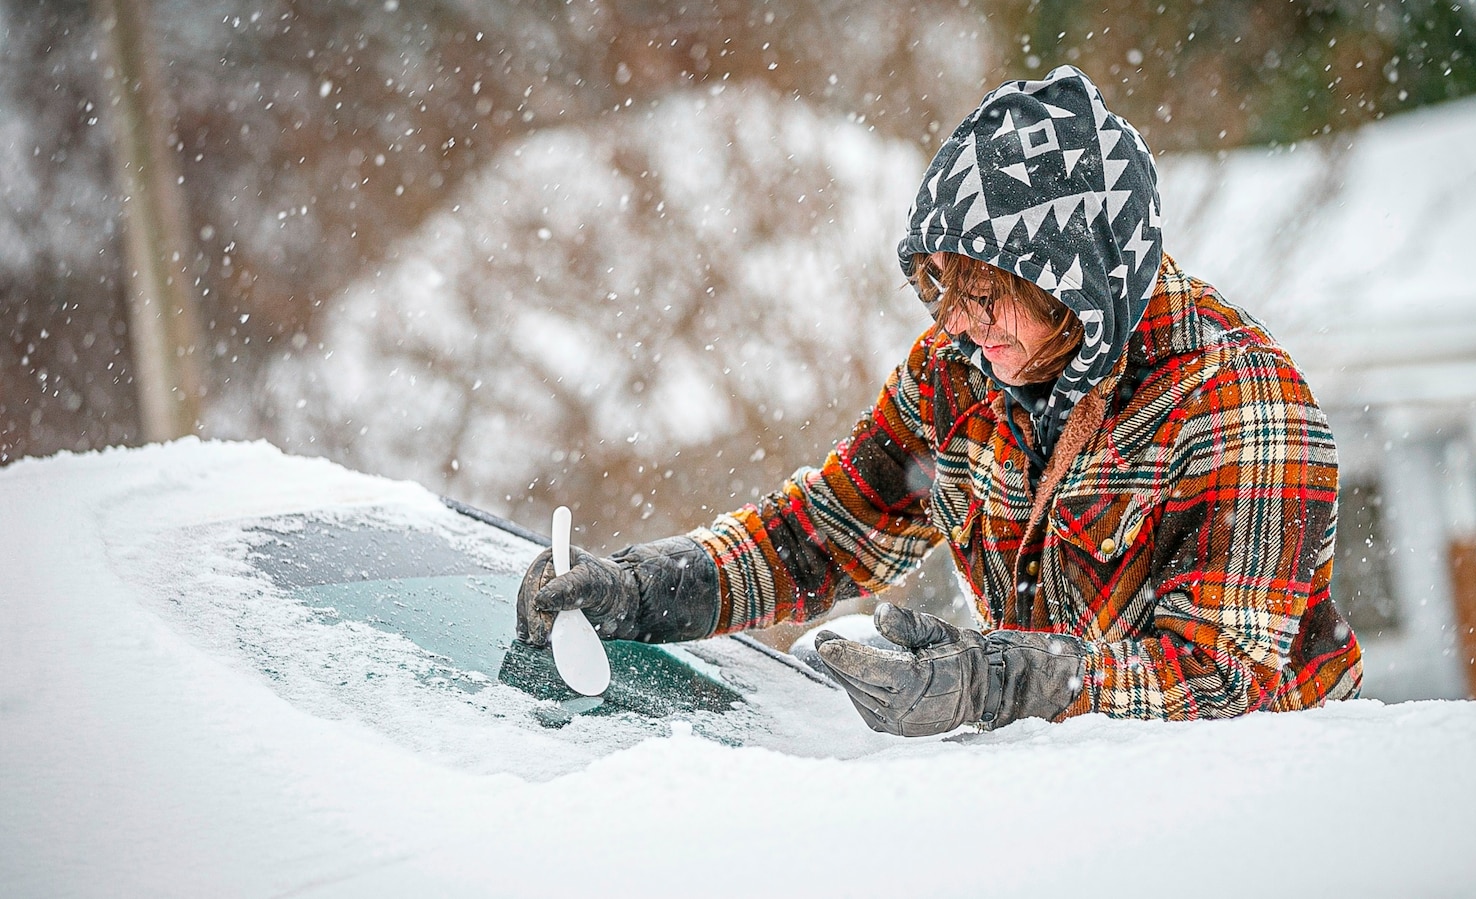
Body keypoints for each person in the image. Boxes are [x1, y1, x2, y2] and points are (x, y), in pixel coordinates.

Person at [517, 65, 1363, 736]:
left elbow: (1222, 680)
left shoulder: (1237, 402)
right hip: (1077, 795)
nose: (956, 321)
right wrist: (646, 589)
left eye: (984, 291)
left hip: (1271, 803)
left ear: (1076, 283)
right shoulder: (960, 372)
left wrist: (997, 678)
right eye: (940, 288)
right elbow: (823, 535)